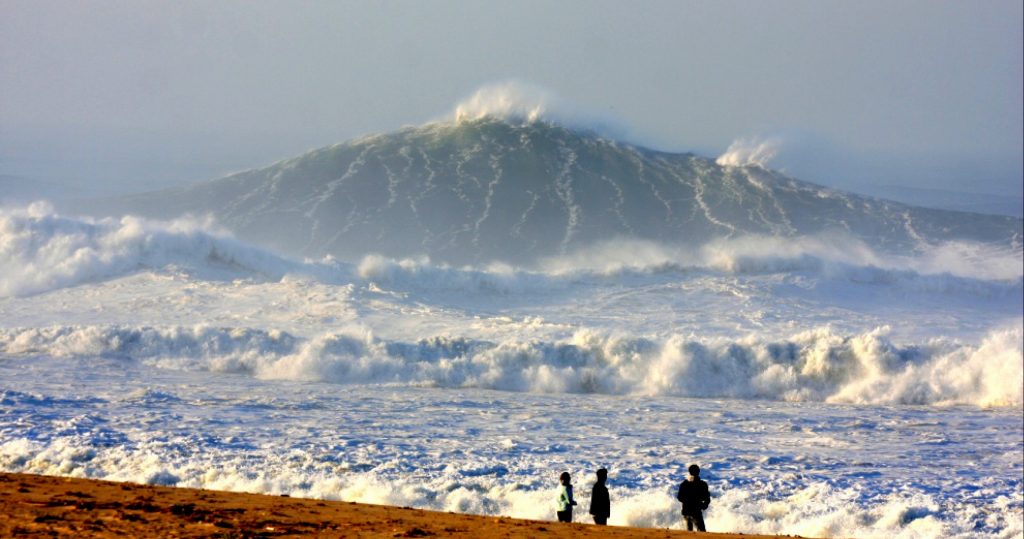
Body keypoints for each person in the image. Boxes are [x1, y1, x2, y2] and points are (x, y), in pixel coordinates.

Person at [676, 464, 710, 532]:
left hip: (688, 510)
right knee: (701, 530)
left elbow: (680, 497)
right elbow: (707, 498)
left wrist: (704, 504)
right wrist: (704, 505)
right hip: (694, 510)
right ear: (699, 471)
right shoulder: (702, 484)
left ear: (689, 472)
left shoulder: (684, 484)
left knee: (690, 530)